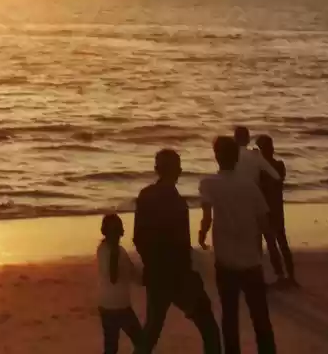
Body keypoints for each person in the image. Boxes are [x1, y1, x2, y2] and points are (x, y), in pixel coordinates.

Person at [133, 148, 221, 353]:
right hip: (177, 276)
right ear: (178, 171)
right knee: (208, 326)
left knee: (152, 330)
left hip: (155, 274)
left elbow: (139, 238)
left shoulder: (145, 195)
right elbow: (181, 245)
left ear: (157, 170)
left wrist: (150, 263)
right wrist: (189, 274)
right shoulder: (178, 203)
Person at [199, 135, 277, 354]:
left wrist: (201, 234)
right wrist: (270, 250)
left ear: (216, 157)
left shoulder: (208, 184)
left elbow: (207, 216)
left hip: (225, 260)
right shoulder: (250, 186)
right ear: (237, 158)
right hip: (251, 260)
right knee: (260, 317)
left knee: (229, 316)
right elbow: (264, 223)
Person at [97, 213, 143, 353]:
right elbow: (113, 277)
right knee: (140, 341)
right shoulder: (108, 251)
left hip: (113, 305)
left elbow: (133, 275)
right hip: (116, 307)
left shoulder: (112, 251)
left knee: (113, 346)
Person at [254, 136, 295, 287]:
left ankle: (285, 275)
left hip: (271, 209)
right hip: (273, 209)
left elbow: (268, 183)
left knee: (276, 243)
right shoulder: (274, 166)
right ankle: (285, 276)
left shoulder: (270, 167)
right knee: (277, 243)